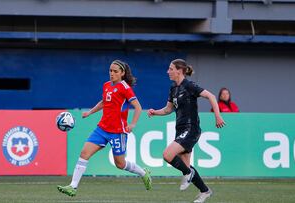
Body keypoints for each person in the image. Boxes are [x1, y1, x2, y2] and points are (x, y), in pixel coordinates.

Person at [57, 59, 152, 197]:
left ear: (122, 73)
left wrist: (132, 124)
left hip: (118, 132)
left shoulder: (125, 88)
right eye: (110, 71)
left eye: (115, 71)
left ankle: (144, 173)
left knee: (120, 164)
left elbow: (138, 107)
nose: (111, 74)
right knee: (84, 153)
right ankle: (73, 186)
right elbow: (103, 102)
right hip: (102, 129)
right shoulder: (106, 85)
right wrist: (90, 112)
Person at [147, 59, 225, 203]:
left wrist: (218, 116)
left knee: (167, 154)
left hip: (191, 128)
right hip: (180, 129)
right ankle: (205, 191)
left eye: (170, 69)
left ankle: (188, 173)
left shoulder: (189, 85)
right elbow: (168, 109)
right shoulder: (173, 88)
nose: (168, 71)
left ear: (179, 70)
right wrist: (155, 112)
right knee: (186, 165)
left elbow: (211, 96)